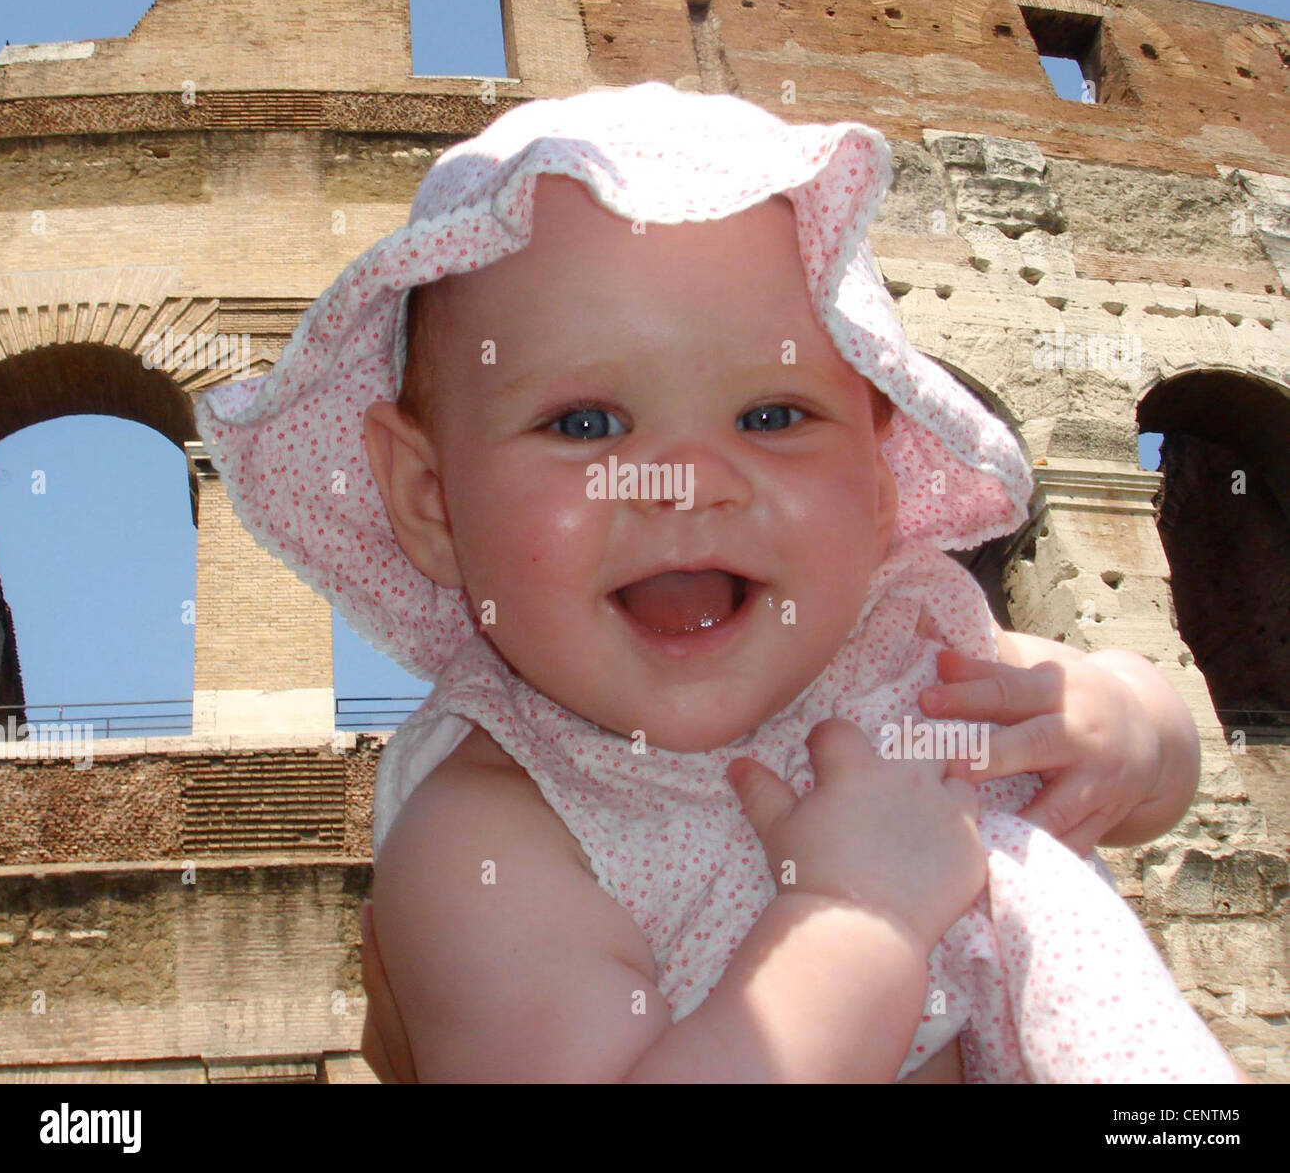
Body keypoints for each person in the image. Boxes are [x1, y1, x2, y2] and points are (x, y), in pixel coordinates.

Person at [196, 82, 1245, 1083]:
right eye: (585, 422)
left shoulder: (911, 647)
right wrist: (853, 918)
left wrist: (1131, 726)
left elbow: (1127, 780)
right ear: (431, 499)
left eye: (772, 416)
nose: (687, 482)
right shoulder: (492, 835)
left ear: (878, 490)